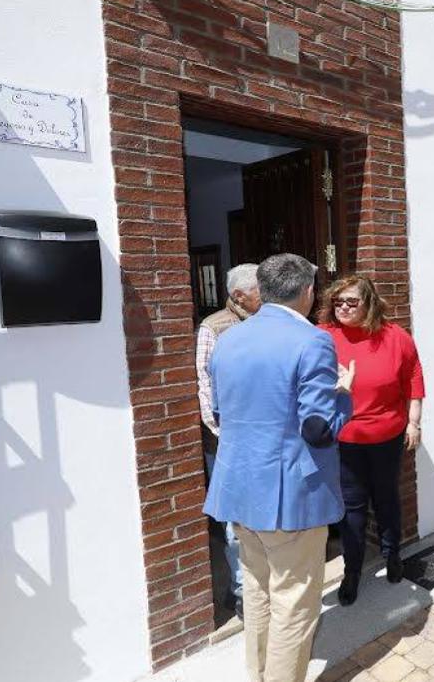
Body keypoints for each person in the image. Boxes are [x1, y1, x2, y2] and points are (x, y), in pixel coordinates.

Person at [204, 253, 355, 682]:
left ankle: (259, 674)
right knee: (294, 602)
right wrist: (344, 395)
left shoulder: (228, 338)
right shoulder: (312, 341)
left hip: (239, 486)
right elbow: (318, 429)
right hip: (291, 495)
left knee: (257, 592)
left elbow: (220, 412)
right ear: (307, 291)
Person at [317, 275, 425, 607]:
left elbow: (413, 377)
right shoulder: (322, 337)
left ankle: (393, 556)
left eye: (351, 301)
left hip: (387, 436)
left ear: (370, 304)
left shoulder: (395, 337)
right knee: (352, 508)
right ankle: (352, 571)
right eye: (337, 302)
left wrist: (414, 422)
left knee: (387, 498)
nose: (343, 308)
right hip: (344, 438)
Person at [196, 263, 261, 621]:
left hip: (261, 439)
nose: (266, 295)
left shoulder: (268, 321)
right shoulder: (214, 327)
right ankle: (240, 590)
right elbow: (205, 387)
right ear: (239, 295)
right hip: (227, 443)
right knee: (235, 523)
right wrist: (225, 435)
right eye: (260, 289)